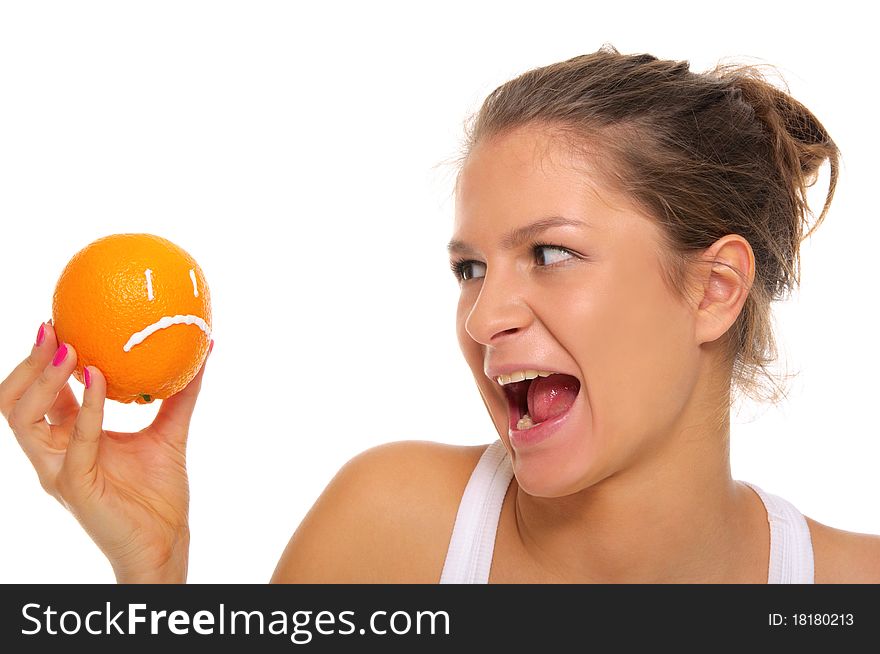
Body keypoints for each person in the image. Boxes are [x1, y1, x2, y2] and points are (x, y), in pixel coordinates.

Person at [2, 45, 878, 584]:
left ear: (713, 290)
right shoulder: (390, 526)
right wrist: (154, 579)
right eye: (470, 268)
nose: (484, 315)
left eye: (549, 253)